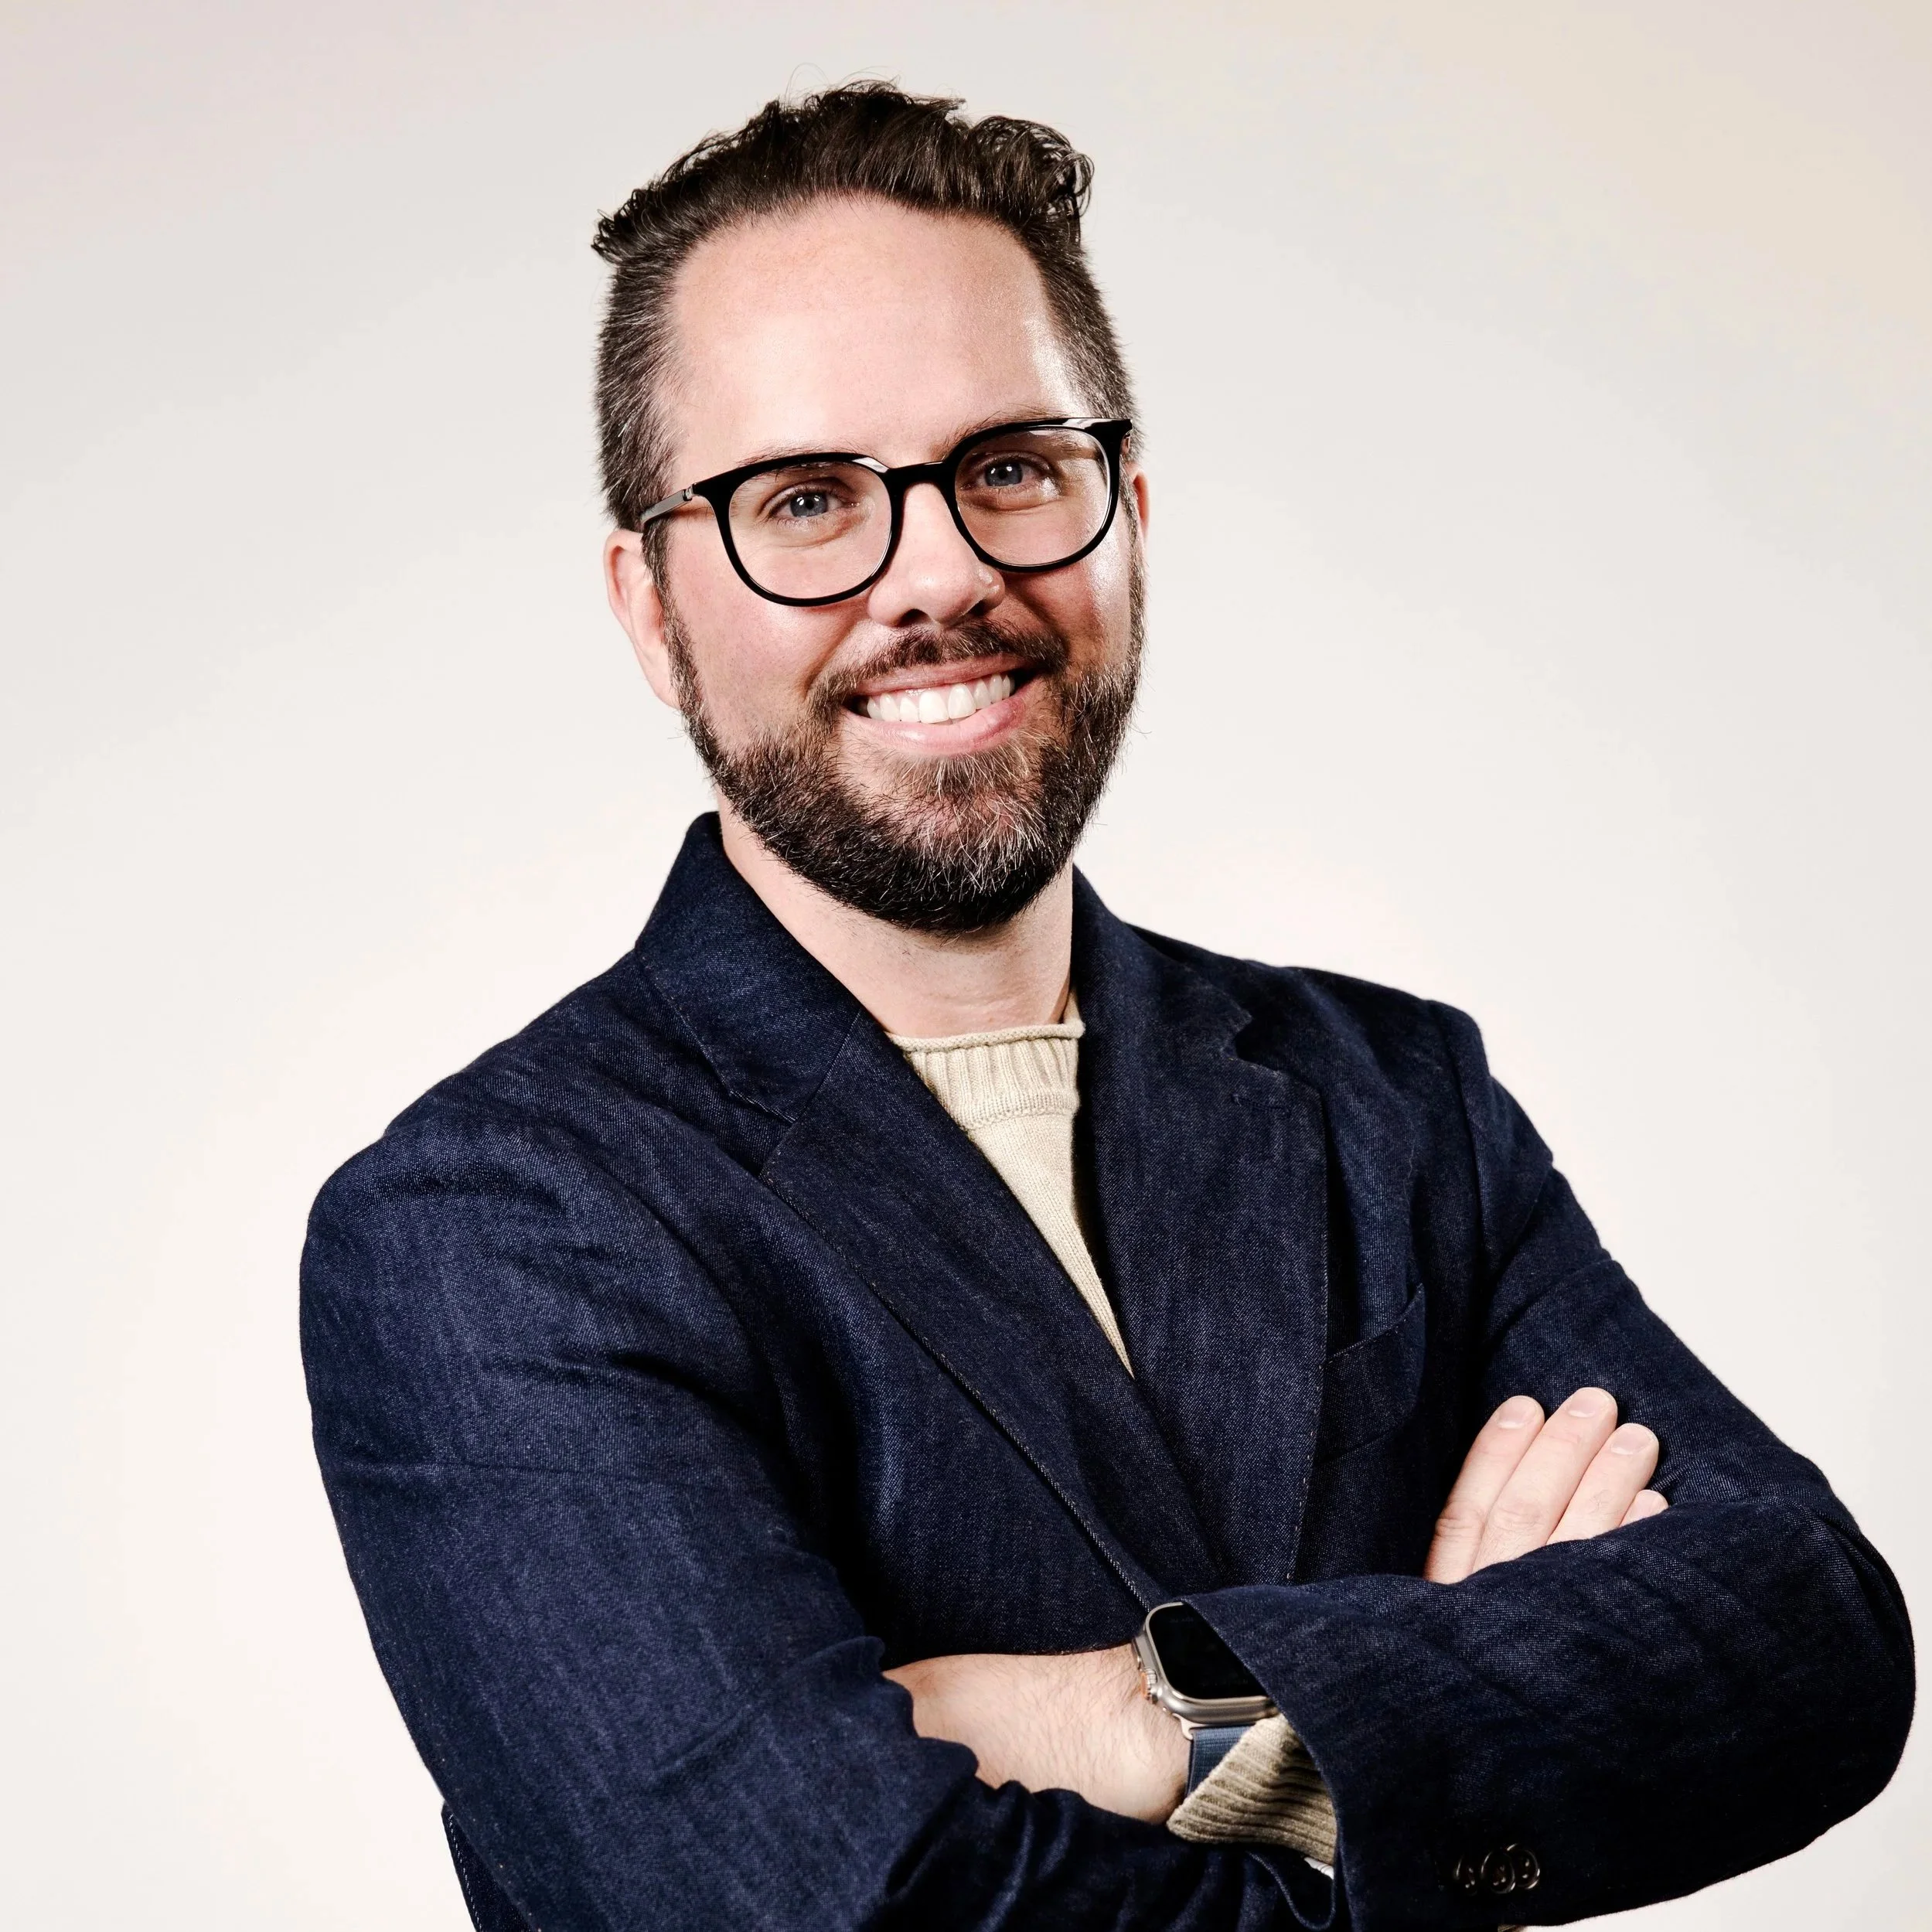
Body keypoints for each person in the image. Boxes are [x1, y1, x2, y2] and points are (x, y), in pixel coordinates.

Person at [299, 84, 1911, 1932]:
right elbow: (834, 1906)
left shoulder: (1394, 1101)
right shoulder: (488, 1228)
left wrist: (1143, 1718)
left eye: (1011, 465)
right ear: (652, 607)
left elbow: (1813, 1644)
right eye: (804, 500)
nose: (941, 575)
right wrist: (1434, 1715)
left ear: (1125, 509)